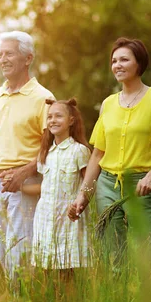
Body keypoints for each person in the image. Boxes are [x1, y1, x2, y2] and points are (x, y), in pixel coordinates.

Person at [69, 37, 151, 268]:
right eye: (114, 61)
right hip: (107, 185)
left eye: (124, 59)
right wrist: (84, 194)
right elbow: (98, 155)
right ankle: (119, 300)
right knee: (113, 255)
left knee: (150, 253)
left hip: (141, 184)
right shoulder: (108, 104)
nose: (117, 65)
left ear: (138, 63)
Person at [0, 31, 55, 280]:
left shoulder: (43, 97)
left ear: (28, 58)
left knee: (20, 250)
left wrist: (24, 173)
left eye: (9, 53)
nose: (3, 59)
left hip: (25, 182)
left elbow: (51, 148)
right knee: (3, 251)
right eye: (0, 54)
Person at [29, 98, 92, 276]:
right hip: (45, 216)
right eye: (49, 117)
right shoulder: (45, 153)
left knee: (67, 269)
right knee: (46, 268)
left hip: (68, 218)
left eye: (58, 116)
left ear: (71, 121)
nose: (53, 120)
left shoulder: (79, 151)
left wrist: (80, 205)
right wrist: (19, 188)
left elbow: (89, 184)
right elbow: (44, 186)